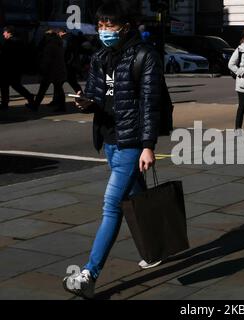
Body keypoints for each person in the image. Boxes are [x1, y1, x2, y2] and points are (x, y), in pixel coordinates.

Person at [62, 0, 163, 299]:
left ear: (125, 27)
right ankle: (156, 247)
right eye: (101, 26)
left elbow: (150, 104)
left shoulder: (145, 55)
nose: (104, 31)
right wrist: (84, 102)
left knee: (111, 206)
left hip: (131, 142)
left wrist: (148, 146)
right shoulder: (100, 57)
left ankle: (89, 274)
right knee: (137, 197)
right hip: (108, 138)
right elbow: (94, 93)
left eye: (110, 26)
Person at [0, 26, 35, 110]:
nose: (3, 33)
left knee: (5, 85)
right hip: (16, 68)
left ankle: (5, 104)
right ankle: (29, 97)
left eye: (4, 32)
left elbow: (5, 56)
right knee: (15, 85)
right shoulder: (19, 42)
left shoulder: (9, 42)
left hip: (9, 68)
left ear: (9, 32)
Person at [33, 29, 67, 112]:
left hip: (50, 71)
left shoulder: (50, 46)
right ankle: (62, 106)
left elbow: (47, 60)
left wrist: (42, 69)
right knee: (58, 89)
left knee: (43, 89)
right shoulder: (59, 43)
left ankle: (35, 105)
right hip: (58, 69)